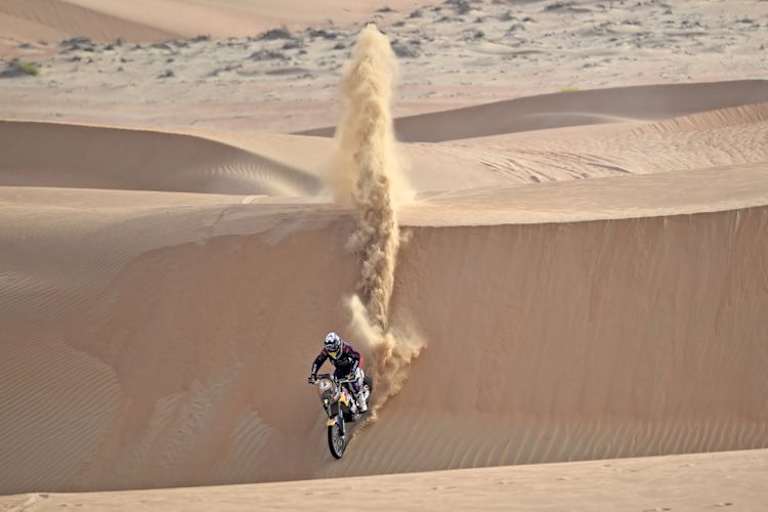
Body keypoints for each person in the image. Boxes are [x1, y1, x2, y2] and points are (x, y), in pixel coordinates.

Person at [308, 332, 368, 412]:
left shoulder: (346, 348)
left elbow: (357, 357)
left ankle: (362, 404)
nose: (330, 349)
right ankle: (343, 404)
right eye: (328, 346)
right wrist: (313, 374)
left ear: (337, 343)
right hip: (340, 370)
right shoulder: (326, 351)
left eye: (331, 346)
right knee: (335, 385)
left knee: (354, 386)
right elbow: (318, 361)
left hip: (352, 367)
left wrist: (353, 371)